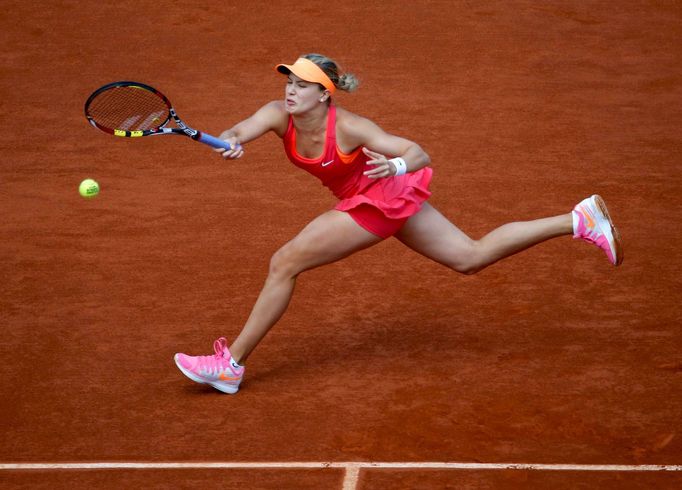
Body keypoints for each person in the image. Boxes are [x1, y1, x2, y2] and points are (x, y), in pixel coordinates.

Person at [174, 53, 623, 394]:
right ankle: (578, 219)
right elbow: (236, 131)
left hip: (378, 197)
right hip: (373, 198)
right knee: (470, 257)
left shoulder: (350, 126)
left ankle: (231, 365)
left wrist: (395, 169)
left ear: (325, 94)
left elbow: (418, 153)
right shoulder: (276, 114)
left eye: (303, 86)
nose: (291, 91)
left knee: (284, 262)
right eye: (289, 82)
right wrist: (229, 142)